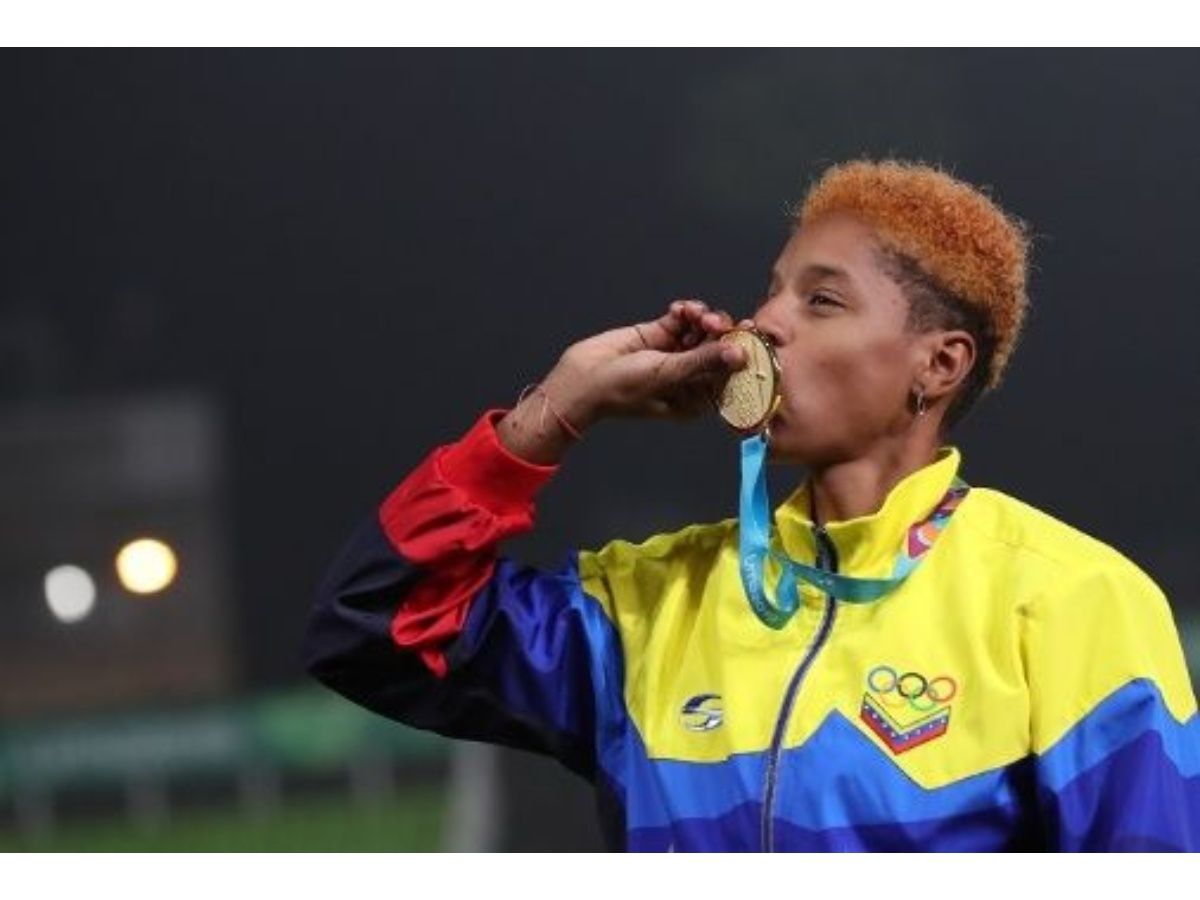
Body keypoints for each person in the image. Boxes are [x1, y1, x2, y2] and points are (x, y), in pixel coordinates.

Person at [302, 158, 1199, 851]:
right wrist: (557, 409)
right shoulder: (651, 608)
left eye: (821, 300)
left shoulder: (1071, 601)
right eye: (772, 291)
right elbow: (369, 627)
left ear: (938, 363)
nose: (764, 322)